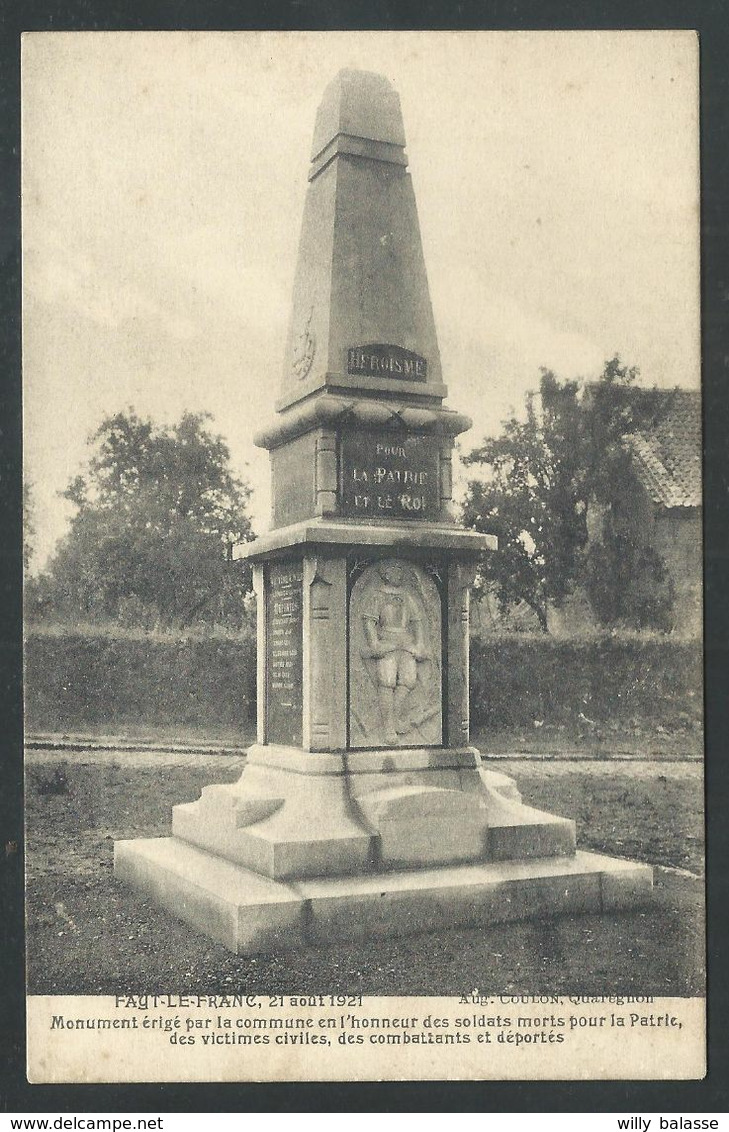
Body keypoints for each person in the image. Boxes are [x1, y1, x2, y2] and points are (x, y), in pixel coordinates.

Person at [361, 561, 428, 744]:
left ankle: (395, 718)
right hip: (387, 643)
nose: (397, 574)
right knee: (387, 682)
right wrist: (374, 644)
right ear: (386, 574)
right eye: (393, 571)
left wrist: (420, 644)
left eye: (400, 570)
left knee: (408, 681)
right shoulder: (377, 596)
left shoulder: (407, 597)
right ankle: (389, 728)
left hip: (406, 643)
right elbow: (369, 621)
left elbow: (417, 621)